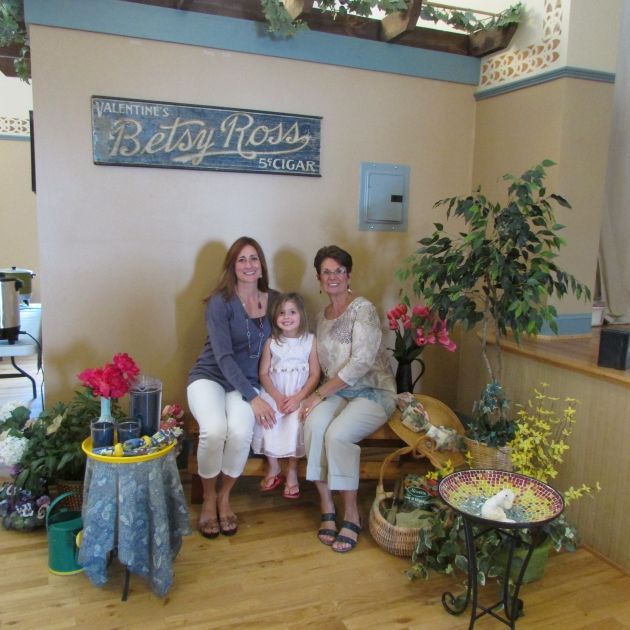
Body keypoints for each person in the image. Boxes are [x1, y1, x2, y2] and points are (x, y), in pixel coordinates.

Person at [300, 245, 396, 553]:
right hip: (337, 391)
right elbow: (322, 365)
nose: (333, 277)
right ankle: (327, 507)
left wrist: (318, 394)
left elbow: (362, 362)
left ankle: (352, 514)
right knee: (314, 425)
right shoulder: (321, 317)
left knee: (338, 435)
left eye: (339, 271)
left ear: (349, 275)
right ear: (318, 278)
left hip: (373, 391)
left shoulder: (363, 309)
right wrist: (309, 397)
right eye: (326, 272)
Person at [187, 236, 278, 538]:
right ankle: (208, 498)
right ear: (232, 266)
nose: (248, 265)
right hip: (210, 377)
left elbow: (293, 334)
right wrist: (254, 398)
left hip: (247, 383)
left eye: (254, 258)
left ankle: (224, 496)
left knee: (240, 433)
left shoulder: (274, 300)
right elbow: (224, 357)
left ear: (261, 265)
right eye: (241, 259)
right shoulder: (220, 302)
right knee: (214, 430)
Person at [252, 292, 320, 499]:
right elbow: (263, 373)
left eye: (292, 312)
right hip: (275, 393)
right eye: (281, 313)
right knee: (267, 418)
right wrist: (276, 396)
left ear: (301, 315)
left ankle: (292, 470)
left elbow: (315, 374)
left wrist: (298, 398)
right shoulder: (271, 342)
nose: (287, 317)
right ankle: (273, 466)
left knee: (295, 423)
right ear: (275, 317)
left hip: (299, 394)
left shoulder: (310, 340)